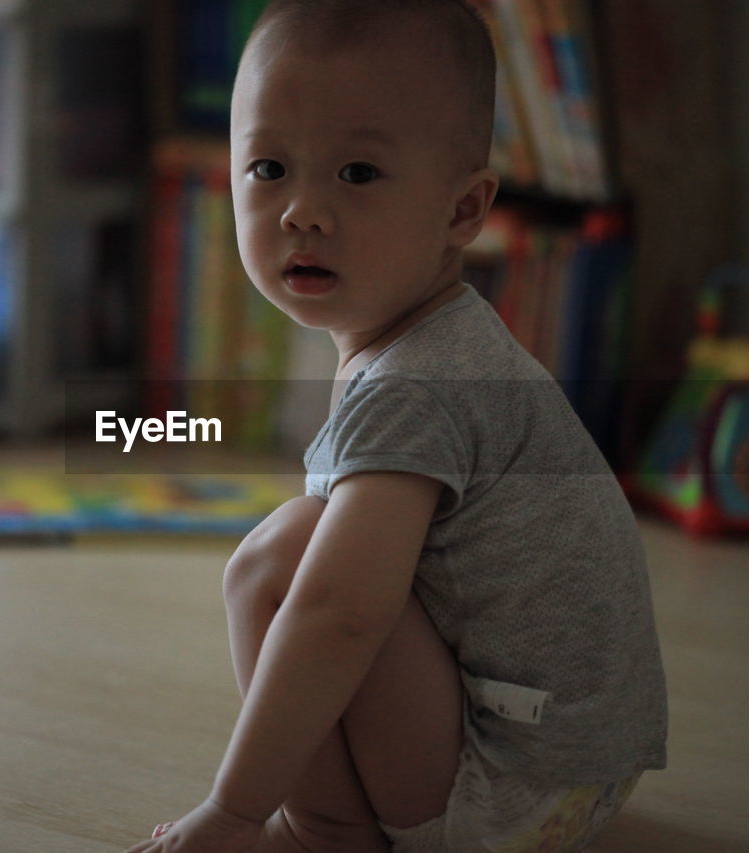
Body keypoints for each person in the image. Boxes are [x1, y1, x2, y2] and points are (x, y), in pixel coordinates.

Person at [127, 1, 667, 851]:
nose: (301, 210)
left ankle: (321, 830)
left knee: (278, 565)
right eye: (268, 167)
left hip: (515, 790)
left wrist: (232, 810)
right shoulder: (448, 342)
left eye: (357, 174)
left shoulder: (416, 386)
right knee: (325, 546)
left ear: (462, 211)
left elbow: (339, 617)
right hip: (579, 767)